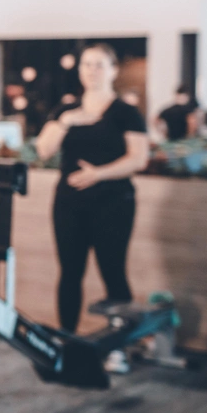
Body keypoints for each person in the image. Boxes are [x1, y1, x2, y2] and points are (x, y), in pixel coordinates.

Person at [36, 43, 149, 373]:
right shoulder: (65, 109)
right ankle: (67, 343)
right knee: (69, 273)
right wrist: (66, 121)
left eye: (99, 65)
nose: (92, 71)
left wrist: (98, 174)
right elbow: (44, 150)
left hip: (113, 203)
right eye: (87, 64)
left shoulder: (125, 112)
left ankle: (119, 348)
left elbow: (138, 159)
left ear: (113, 70)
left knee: (113, 272)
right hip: (69, 204)